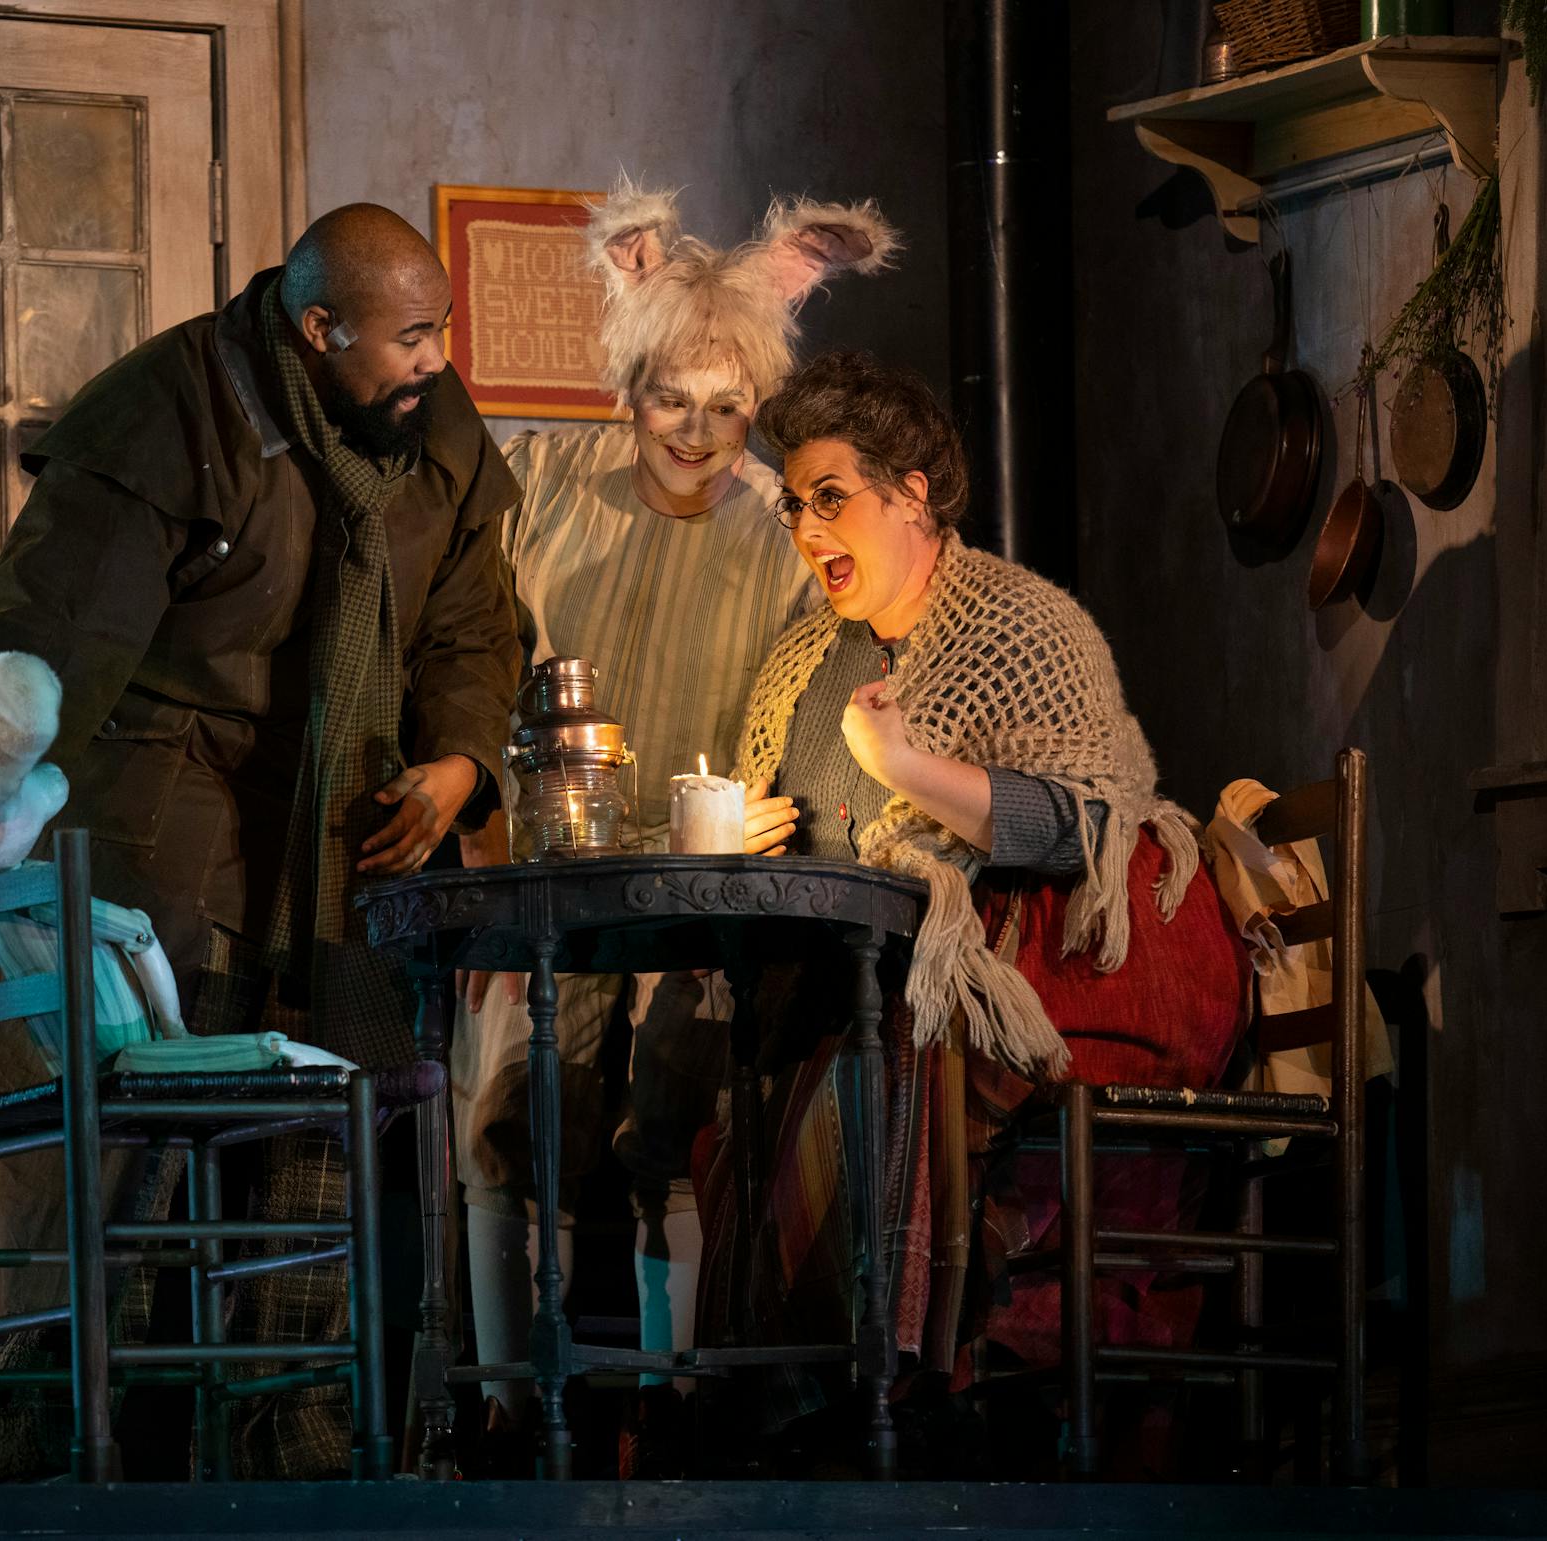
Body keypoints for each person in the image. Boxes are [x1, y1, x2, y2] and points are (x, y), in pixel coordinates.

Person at [0, 203, 524, 1478]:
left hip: (342, 851)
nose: (435, 362)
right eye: (409, 337)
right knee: (131, 1186)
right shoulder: (176, 408)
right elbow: (55, 629)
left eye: (441, 332)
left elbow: (475, 621)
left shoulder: (433, 428)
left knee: (311, 1171)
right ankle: (74, 1466)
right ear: (320, 329)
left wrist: (461, 763)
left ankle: (291, 1453)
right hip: (165, 846)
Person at [709, 351, 1250, 1471]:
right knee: (751, 1098)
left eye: (830, 496)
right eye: (794, 506)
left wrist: (904, 765)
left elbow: (1086, 827)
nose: (807, 530)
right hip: (861, 982)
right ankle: (803, 1411)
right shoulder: (802, 661)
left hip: (1049, 971)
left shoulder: (1021, 626)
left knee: (885, 1066)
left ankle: (883, 1394)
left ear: (912, 494)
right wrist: (744, 838)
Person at [449, 182, 897, 1477]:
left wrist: (782, 809)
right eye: (670, 400)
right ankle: (508, 1408)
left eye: (727, 407)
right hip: (550, 874)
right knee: (512, 1116)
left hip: (703, 887)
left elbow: (823, 694)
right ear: (628, 388)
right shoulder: (546, 488)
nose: (696, 433)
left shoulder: (779, 533)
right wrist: (482, 839)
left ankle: (668, 1400)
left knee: (676, 1124)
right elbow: (469, 649)